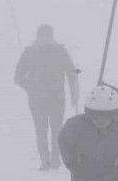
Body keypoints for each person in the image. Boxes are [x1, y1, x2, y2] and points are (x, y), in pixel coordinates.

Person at [14, 24, 79, 170]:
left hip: (36, 99)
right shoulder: (60, 50)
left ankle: (44, 160)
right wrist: (74, 95)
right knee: (57, 128)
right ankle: (56, 159)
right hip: (57, 97)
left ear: (37, 35)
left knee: (40, 129)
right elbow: (71, 73)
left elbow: (17, 76)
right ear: (52, 35)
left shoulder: (29, 52)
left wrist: (29, 87)